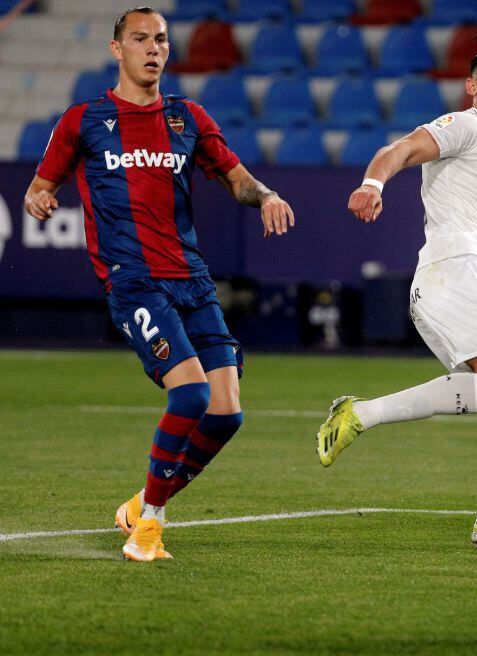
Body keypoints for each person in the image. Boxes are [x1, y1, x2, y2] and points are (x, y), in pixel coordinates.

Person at [23, 6, 294, 562]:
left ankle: (139, 503)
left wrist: (265, 196)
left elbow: (236, 178)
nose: (153, 48)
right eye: (141, 38)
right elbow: (39, 185)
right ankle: (149, 526)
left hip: (192, 279)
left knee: (226, 412)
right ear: (116, 48)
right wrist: (39, 197)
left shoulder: (187, 118)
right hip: (135, 282)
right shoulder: (84, 120)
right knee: (191, 393)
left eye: (162, 39)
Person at [316, 34, 477, 551]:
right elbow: (402, 149)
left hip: (470, 279)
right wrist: (374, 184)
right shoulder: (465, 126)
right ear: (472, 85)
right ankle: (360, 413)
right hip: (451, 274)